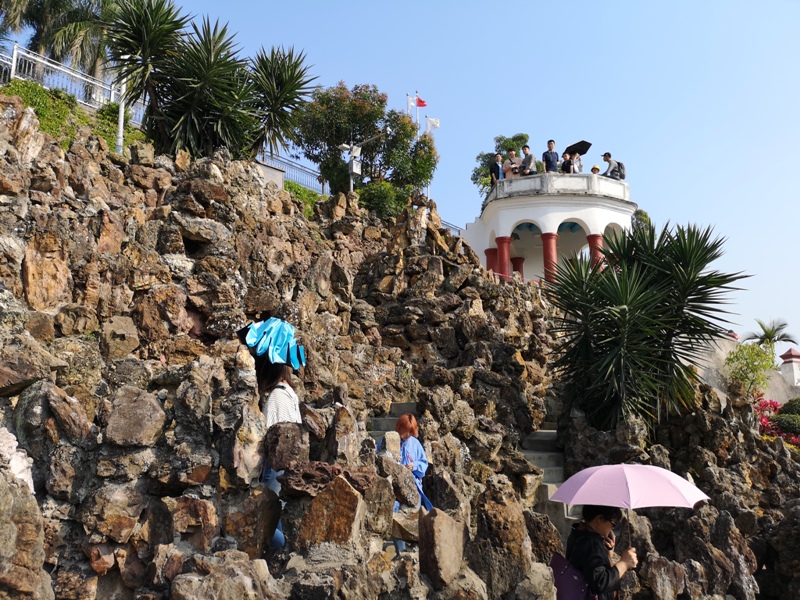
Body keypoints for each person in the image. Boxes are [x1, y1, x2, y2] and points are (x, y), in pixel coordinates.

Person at [258, 360, 302, 549]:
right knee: (278, 520)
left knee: (265, 522)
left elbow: (270, 434)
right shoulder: (289, 394)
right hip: (287, 466)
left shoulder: (277, 397)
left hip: (275, 467)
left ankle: (289, 550)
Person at [567, 505, 638, 600]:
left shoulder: (578, 533)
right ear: (600, 519)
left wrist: (607, 552)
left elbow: (590, 570)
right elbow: (600, 582)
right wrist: (624, 563)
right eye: (613, 523)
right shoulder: (590, 544)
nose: (612, 528)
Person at [391, 414, 430, 552]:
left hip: (412, 488)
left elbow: (424, 466)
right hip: (395, 489)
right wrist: (393, 460)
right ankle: (400, 552)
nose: (408, 435)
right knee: (395, 514)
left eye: (410, 432)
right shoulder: (390, 440)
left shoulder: (415, 443)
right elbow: (380, 457)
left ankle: (413, 550)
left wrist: (414, 466)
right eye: (406, 431)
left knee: (412, 516)